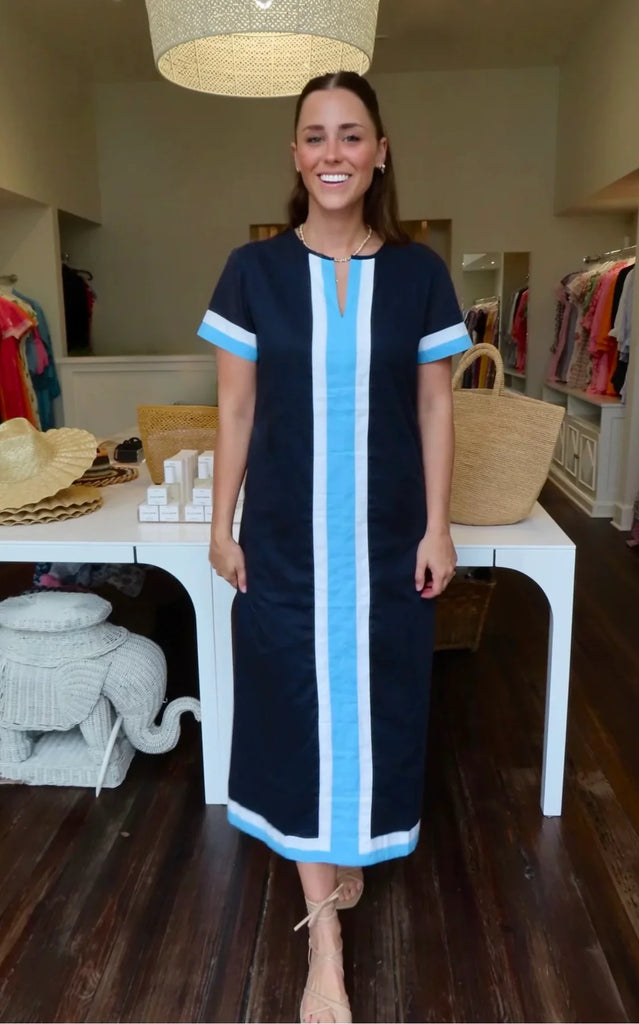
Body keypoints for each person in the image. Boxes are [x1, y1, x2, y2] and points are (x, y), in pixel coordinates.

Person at [198, 71, 471, 1024]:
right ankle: (325, 944)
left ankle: (346, 851)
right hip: (284, 540)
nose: (332, 153)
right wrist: (220, 524)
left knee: (375, 707)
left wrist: (438, 524)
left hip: (388, 541)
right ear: (294, 155)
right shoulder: (252, 271)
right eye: (314, 136)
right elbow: (236, 408)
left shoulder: (420, 274)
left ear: (380, 153)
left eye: (350, 135)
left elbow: (435, 407)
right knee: (294, 710)